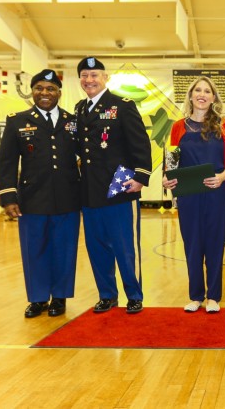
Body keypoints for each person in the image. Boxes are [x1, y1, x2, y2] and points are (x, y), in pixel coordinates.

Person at [0, 69, 80, 318]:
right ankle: (38, 298)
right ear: (32, 92)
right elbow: (8, 162)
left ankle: (60, 297)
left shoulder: (72, 121)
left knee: (64, 249)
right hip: (32, 199)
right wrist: (9, 197)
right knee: (34, 249)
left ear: (59, 93)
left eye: (50, 89)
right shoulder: (17, 121)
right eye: (39, 88)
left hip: (67, 196)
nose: (44, 93)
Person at [75, 57, 152, 315]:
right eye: (85, 75)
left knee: (125, 247)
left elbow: (140, 143)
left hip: (119, 188)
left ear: (105, 78)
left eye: (94, 75)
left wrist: (140, 176)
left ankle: (134, 294)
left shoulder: (122, 105)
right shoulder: (79, 109)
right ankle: (107, 295)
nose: (89, 80)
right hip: (88, 190)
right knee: (97, 248)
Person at [162, 76, 225, 314]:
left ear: (213, 97)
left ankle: (213, 296)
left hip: (216, 192)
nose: (202, 94)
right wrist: (167, 178)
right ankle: (195, 295)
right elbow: (172, 163)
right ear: (191, 96)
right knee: (192, 244)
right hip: (189, 194)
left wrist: (223, 176)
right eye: (198, 91)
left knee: (214, 243)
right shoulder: (177, 127)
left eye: (207, 91)